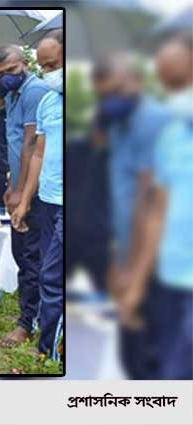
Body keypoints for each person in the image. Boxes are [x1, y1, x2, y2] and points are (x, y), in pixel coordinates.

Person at [91, 52, 170, 379]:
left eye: (117, 90)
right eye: (105, 94)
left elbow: (151, 203)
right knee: (133, 349)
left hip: (158, 258)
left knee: (161, 352)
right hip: (129, 247)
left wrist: (134, 276)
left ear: (136, 82)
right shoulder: (118, 123)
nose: (111, 100)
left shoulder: (154, 122)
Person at [127, 32, 192, 379]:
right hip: (170, 277)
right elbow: (156, 210)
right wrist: (138, 281)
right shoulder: (171, 134)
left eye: (179, 82)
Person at [11, 29, 65, 361]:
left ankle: (50, 351)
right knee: (47, 272)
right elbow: (38, 154)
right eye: (43, 67)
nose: (48, 74)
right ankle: (49, 344)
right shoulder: (48, 101)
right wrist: (25, 199)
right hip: (48, 200)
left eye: (53, 65)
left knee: (53, 277)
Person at [0, 44, 49, 347]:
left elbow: (31, 145)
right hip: (19, 184)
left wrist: (21, 194)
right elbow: (13, 144)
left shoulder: (34, 91)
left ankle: (27, 323)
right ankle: (33, 314)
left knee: (30, 257)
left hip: (35, 191)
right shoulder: (13, 94)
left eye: (12, 71)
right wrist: (10, 183)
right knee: (22, 254)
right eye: (0, 74)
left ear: (25, 64)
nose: (7, 77)